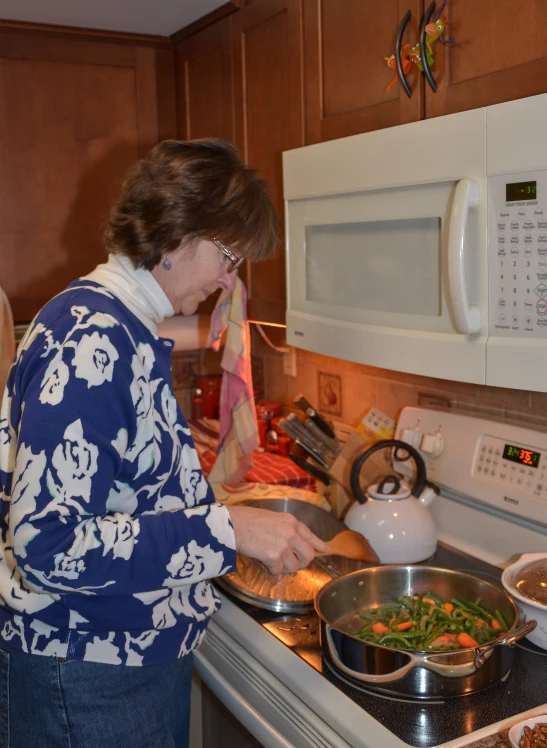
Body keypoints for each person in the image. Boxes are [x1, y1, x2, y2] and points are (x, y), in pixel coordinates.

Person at [0, 138, 330, 748]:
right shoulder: (88, 339)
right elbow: (49, 544)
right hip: (89, 673)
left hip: (119, 662)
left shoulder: (123, 327)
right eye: (229, 257)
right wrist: (228, 531)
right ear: (177, 232)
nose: (230, 281)